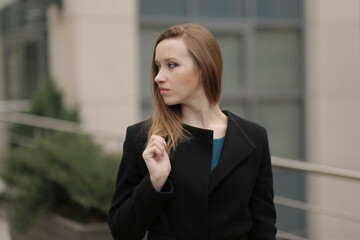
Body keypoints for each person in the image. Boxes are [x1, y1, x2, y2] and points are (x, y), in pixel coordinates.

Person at [108, 23, 277, 240]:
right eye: (157, 66)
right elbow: (121, 232)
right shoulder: (143, 138)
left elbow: (264, 227)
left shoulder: (254, 138)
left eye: (171, 65)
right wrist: (154, 183)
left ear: (204, 66)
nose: (158, 76)